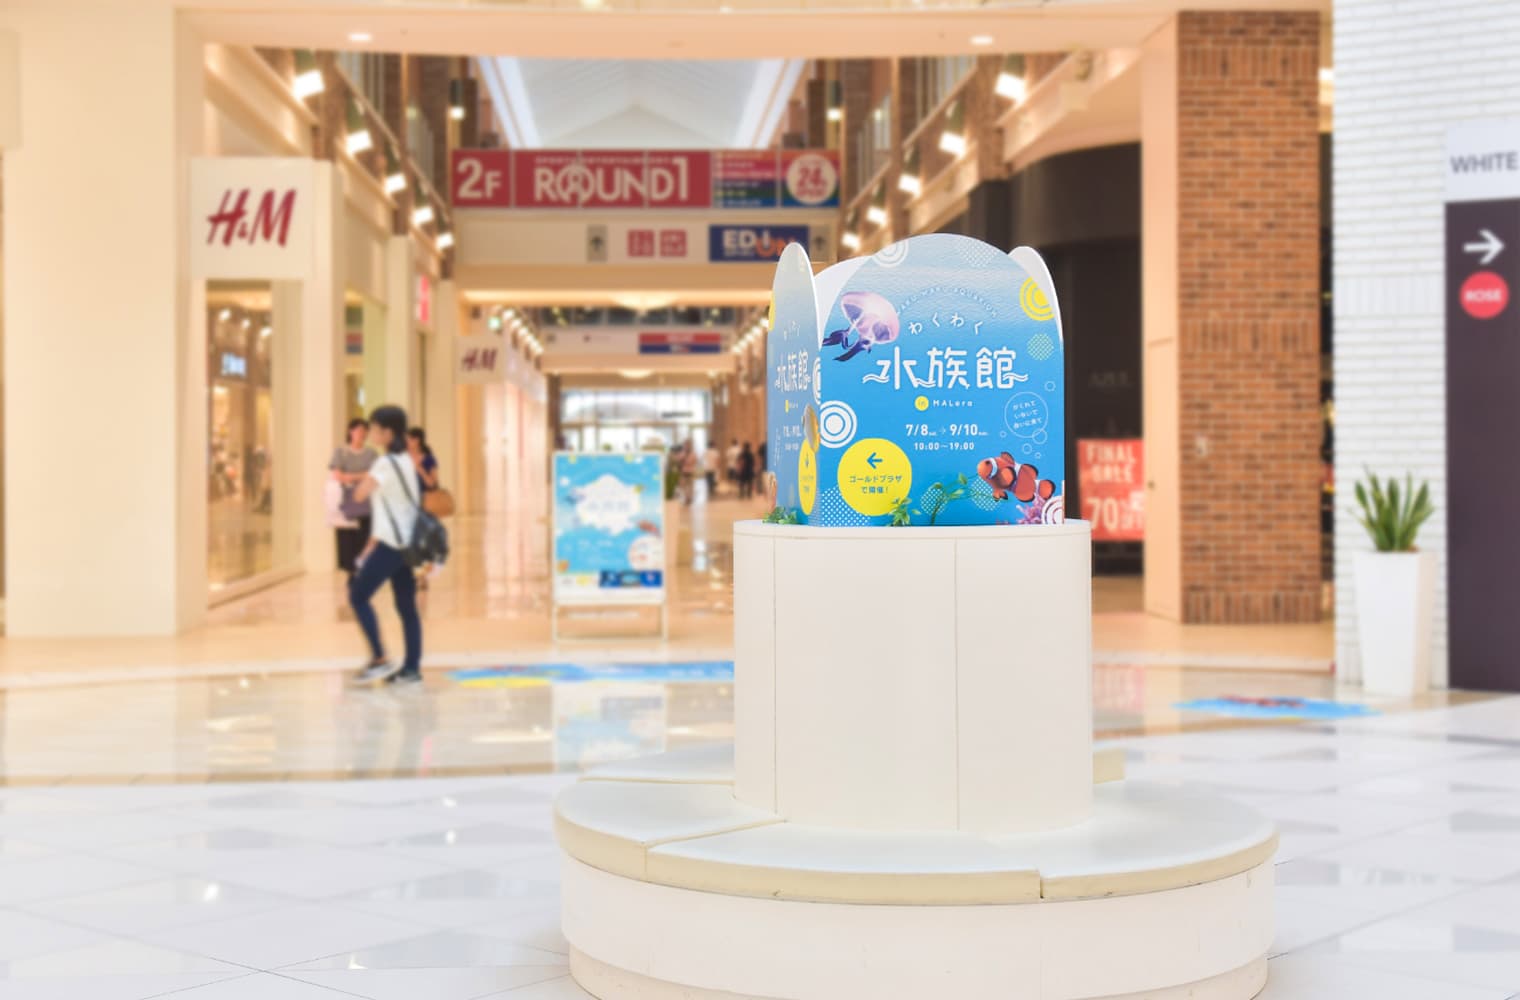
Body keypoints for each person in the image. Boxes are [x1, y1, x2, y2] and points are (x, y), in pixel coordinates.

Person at [349, 405, 423, 686]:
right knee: (407, 608)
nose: (371, 434)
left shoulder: (383, 464)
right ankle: (411, 668)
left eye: (375, 429)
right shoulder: (405, 460)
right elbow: (395, 506)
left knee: (358, 596)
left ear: (388, 432)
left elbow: (359, 494)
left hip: (392, 546)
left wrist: (357, 476)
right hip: (407, 545)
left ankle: (380, 658)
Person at [330, 418, 376, 578]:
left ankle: (362, 570)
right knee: (346, 539)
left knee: (364, 537)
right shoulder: (341, 452)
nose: (361, 434)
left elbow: (373, 475)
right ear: (350, 431)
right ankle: (351, 573)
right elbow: (336, 475)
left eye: (364, 431)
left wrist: (348, 476)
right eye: (358, 430)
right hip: (346, 501)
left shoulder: (371, 453)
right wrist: (361, 476)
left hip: (366, 502)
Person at [406, 427, 439, 495]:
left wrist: (419, 469)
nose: (406, 443)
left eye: (408, 440)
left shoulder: (428, 459)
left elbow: (432, 484)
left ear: (417, 440)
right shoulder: (403, 458)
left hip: (425, 499)